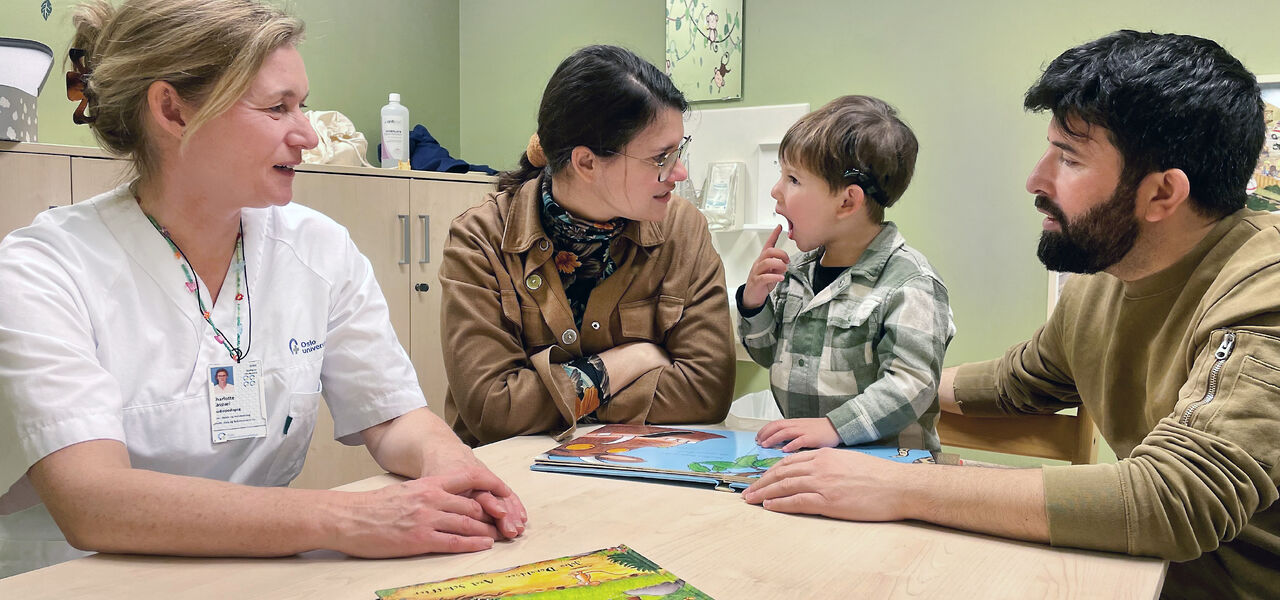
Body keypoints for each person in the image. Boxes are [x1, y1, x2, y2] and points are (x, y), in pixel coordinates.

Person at [743, 30, 1279, 598]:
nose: (1035, 179)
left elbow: (1174, 500)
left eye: (1068, 158)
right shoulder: (1104, 283)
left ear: (1162, 194)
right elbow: (1017, 381)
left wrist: (901, 484)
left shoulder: (1263, 291)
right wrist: (884, 387)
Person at [0, 0, 524, 578]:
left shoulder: (318, 249)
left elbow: (395, 417)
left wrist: (452, 470)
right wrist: (349, 518)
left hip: (260, 572)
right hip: (76, 579)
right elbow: (93, 501)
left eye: (302, 105)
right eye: (278, 108)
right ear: (171, 110)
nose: (307, 134)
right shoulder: (44, 269)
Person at [440, 45, 735, 446]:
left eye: (679, 150)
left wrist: (559, 397)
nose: (679, 172)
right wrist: (628, 361)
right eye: (661, 157)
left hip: (632, 471)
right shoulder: (482, 238)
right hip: (502, 480)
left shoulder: (683, 229)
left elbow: (706, 394)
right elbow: (493, 411)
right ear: (587, 163)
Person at [737, 95, 954, 453]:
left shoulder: (910, 283)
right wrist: (754, 302)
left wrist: (833, 427)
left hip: (890, 474)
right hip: (809, 463)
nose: (775, 191)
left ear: (847, 202)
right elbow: (765, 355)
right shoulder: (797, 273)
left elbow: (911, 383)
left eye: (792, 179)